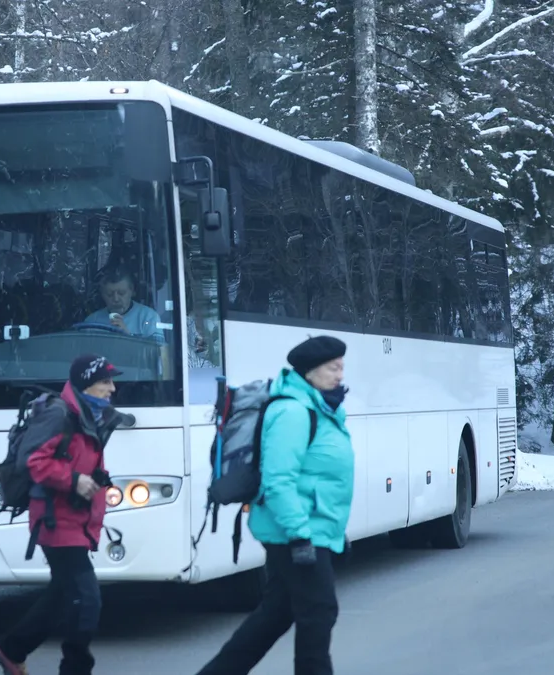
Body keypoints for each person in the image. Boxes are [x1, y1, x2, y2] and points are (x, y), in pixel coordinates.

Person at [194, 335, 355, 675]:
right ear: (310, 371)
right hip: (294, 532)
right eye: (333, 368)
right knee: (319, 612)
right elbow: (279, 480)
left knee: (277, 613)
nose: (340, 375)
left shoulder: (319, 407)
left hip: (312, 527)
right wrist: (299, 536)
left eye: (341, 367)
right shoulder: (292, 411)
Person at [0, 354, 129, 675]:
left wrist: (96, 481)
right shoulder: (59, 414)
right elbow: (32, 461)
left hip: (76, 520)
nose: (112, 388)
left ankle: (10, 649)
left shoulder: (88, 414)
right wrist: (75, 480)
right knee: (87, 601)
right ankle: (75, 669)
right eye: (105, 381)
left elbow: (82, 461)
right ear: (86, 384)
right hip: (56, 521)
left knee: (63, 597)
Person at [82, 268, 164, 342]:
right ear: (102, 295)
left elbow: (158, 353)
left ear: (132, 291)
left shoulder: (148, 317)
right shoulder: (92, 322)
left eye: (121, 293)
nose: (116, 299)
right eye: (109, 294)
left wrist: (128, 336)